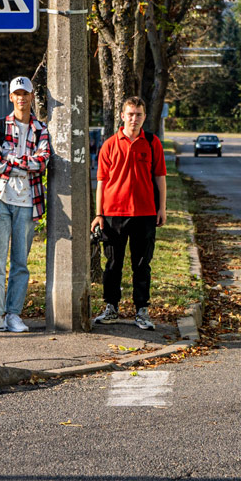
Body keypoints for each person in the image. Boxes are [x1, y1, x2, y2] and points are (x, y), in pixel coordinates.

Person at [0, 76, 51, 333]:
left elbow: (42, 161)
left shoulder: (41, 129)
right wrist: (24, 162)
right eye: (17, 94)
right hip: (0, 200)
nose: (21, 98)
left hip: (28, 202)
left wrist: (11, 160)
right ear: (11, 97)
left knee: (20, 262)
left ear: (31, 97)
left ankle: (13, 315)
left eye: (25, 94)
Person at [92, 96, 167, 331]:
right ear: (122, 116)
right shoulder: (110, 145)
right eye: (130, 114)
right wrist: (99, 214)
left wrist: (162, 208)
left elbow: (160, 178)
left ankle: (141, 311)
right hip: (113, 214)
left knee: (142, 264)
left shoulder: (153, 143)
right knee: (113, 263)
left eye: (139, 115)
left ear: (144, 117)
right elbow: (102, 182)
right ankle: (111, 308)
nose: (134, 119)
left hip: (145, 213)